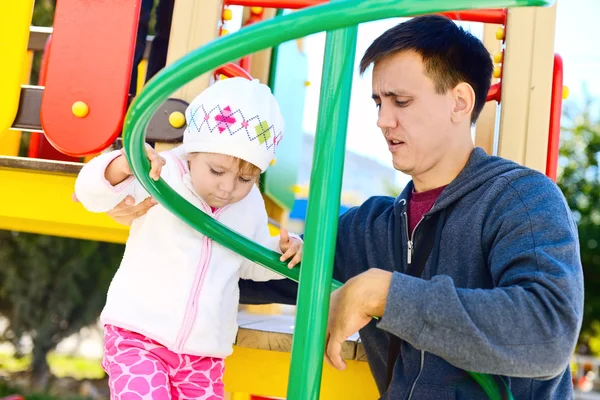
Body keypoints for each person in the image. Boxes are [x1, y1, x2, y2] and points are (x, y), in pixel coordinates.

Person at [94, 16, 584, 399]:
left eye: (401, 101)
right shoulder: (370, 227)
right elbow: (236, 269)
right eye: (377, 102)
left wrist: (383, 293)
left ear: (460, 102)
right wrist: (167, 218)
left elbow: (547, 333)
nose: (382, 120)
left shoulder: (521, 199)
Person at [75, 77, 303, 399]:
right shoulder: (162, 173)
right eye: (216, 171)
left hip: (203, 353)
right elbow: (90, 193)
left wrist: (282, 252)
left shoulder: (249, 203)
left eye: (244, 178)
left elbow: (250, 263)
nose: (227, 187)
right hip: (139, 334)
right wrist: (121, 165)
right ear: (192, 152)